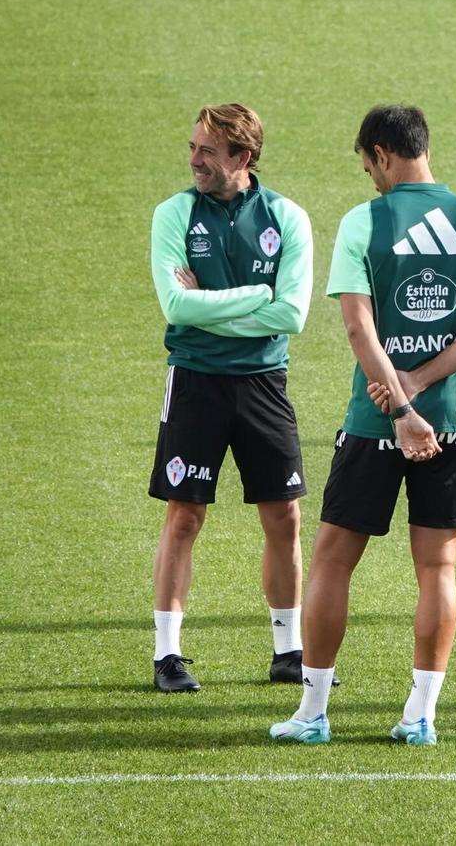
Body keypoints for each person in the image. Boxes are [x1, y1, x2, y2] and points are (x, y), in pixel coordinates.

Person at [270, 104, 456, 747]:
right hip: (454, 423)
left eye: (367, 165)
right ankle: (420, 715)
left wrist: (399, 405)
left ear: (381, 154)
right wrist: (424, 387)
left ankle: (313, 713)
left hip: (374, 423)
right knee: (438, 569)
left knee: (332, 560)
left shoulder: (363, 223)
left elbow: (359, 327)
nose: (369, 179)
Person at [147, 103, 314, 692]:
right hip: (195, 380)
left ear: (242, 158)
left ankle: (288, 649)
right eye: (193, 146)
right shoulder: (173, 214)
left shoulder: (288, 218)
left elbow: (291, 314)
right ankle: (168, 654)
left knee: (285, 516)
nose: (194, 160)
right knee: (185, 515)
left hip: (264, 384)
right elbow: (176, 308)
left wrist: (211, 307)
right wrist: (255, 296)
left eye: (207, 151)